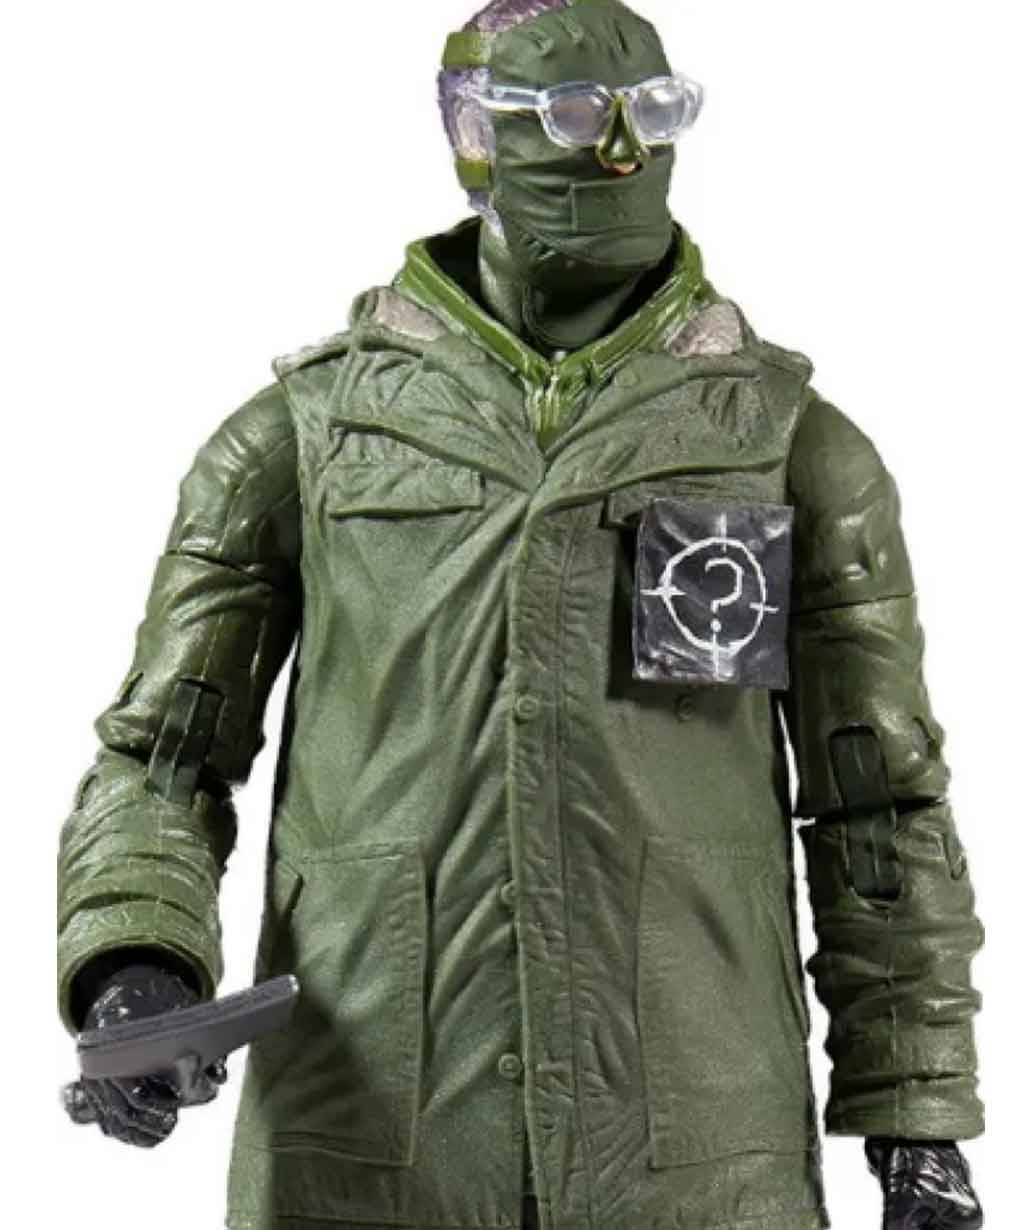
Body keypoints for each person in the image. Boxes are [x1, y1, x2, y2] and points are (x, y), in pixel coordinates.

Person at [56, 2, 985, 1227]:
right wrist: (137, 961)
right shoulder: (305, 440)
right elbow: (164, 756)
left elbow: (877, 805)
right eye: (570, 114)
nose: (617, 152)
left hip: (696, 1147)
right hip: (373, 1139)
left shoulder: (780, 446)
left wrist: (916, 1120)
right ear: (472, 137)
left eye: (651, 112)